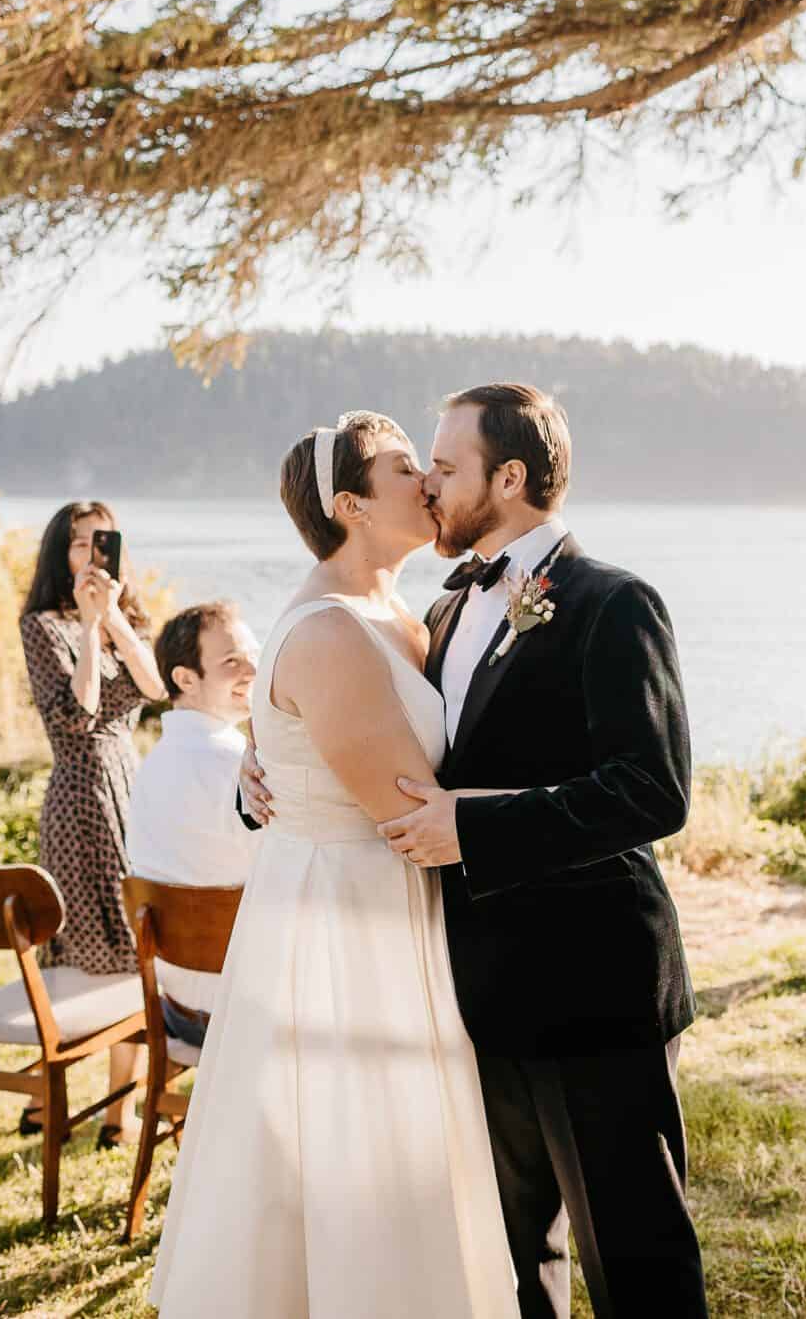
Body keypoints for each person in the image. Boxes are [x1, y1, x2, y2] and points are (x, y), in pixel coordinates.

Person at [243, 384, 705, 1319]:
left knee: (636, 1257)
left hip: (589, 987)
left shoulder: (612, 603)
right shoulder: (441, 613)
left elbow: (652, 791)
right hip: (474, 991)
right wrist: (263, 770)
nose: (429, 485)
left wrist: (476, 827)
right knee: (513, 1259)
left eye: (445, 469)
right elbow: (361, 741)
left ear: (510, 476)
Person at [147, 413, 517, 1318]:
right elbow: (405, 807)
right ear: (351, 504)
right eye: (405, 470)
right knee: (357, 1146)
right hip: (350, 912)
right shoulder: (329, 634)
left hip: (388, 897)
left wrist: (263, 750)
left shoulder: (403, 615)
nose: (428, 484)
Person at [18, 500, 168, 1148]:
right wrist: (85, 630)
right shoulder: (43, 627)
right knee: (80, 946)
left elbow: (157, 688)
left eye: (100, 543)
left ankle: (117, 1113)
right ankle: (47, 1096)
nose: (90, 555)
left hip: (127, 790)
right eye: (78, 544)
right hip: (78, 799)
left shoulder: (124, 621)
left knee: (137, 949)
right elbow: (76, 717)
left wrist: (111, 621)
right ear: (61, 554)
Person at [124, 600, 261, 1047]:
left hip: (180, 1009)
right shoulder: (237, 767)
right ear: (185, 679)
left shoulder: (151, 765)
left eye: (253, 656)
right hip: (243, 1017)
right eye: (231, 662)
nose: (252, 672)